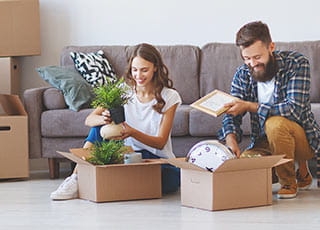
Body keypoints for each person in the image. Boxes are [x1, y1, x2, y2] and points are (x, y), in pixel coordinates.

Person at [50, 43, 182, 200]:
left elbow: (160, 142)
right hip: (128, 157)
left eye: (144, 70)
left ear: (156, 68)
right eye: (135, 70)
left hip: (156, 160)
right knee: (99, 127)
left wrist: (132, 132)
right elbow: (89, 119)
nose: (138, 75)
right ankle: (76, 178)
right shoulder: (124, 91)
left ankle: (106, 182)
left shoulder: (170, 96)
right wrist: (104, 118)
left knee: (170, 181)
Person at [218, 21, 320, 199]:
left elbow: (293, 109)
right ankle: (301, 174)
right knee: (244, 168)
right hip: (264, 142)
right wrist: (230, 138)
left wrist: (250, 106)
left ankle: (288, 182)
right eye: (247, 58)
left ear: (271, 47)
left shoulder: (296, 64)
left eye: (257, 57)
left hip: (302, 139)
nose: (252, 63)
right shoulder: (243, 74)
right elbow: (232, 113)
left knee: (275, 124)